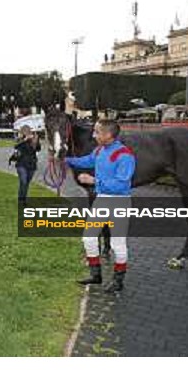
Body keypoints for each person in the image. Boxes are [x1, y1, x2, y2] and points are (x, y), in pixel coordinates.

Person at [65, 119, 136, 294]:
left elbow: (121, 184)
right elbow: (86, 161)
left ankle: (118, 281)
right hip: (102, 200)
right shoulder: (99, 151)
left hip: (119, 201)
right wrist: (65, 160)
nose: (94, 135)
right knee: (88, 238)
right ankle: (96, 275)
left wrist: (94, 181)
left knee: (117, 243)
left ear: (108, 135)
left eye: (97, 132)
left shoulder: (125, 155)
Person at [8, 125, 41, 204]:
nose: (26, 132)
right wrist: (25, 140)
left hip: (31, 164)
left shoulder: (34, 139)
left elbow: (38, 149)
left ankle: (24, 199)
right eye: (24, 131)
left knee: (27, 183)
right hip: (21, 163)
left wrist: (35, 141)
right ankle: (20, 199)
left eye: (27, 130)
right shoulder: (20, 139)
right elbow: (16, 146)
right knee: (23, 181)